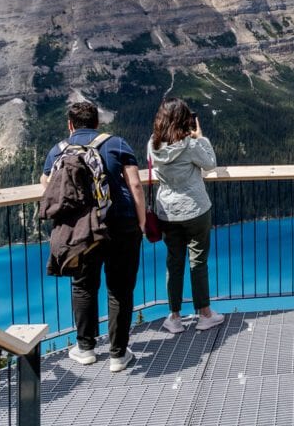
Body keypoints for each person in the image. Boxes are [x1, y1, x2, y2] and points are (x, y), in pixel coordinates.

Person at [41, 100, 145, 372]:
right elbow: (134, 184)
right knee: (120, 289)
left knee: (83, 285)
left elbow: (47, 188)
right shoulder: (117, 143)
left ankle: (85, 348)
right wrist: (142, 222)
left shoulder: (58, 151)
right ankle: (118, 355)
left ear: (70, 124)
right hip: (120, 224)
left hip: (82, 231)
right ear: (98, 122)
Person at [147, 98, 223, 333]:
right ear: (184, 120)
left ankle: (175, 317)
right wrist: (200, 137)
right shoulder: (189, 145)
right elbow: (210, 164)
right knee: (198, 261)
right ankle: (205, 314)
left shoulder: (153, 145)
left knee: (174, 262)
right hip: (196, 210)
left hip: (168, 213)